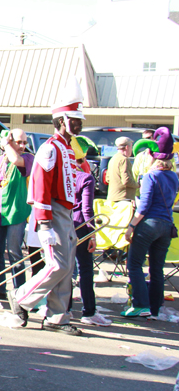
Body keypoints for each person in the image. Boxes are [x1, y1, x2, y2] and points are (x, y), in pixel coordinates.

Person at [8, 78, 85, 336]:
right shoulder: (50, 148)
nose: (79, 123)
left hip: (65, 212)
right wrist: (44, 223)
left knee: (67, 267)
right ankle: (21, 297)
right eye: (74, 118)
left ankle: (57, 316)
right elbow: (40, 186)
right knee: (57, 265)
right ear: (62, 120)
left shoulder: (67, 148)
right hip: (52, 212)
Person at [123, 127, 179, 318]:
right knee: (157, 268)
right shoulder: (174, 177)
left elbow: (144, 206)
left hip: (149, 224)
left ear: (151, 156)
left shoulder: (150, 176)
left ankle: (141, 304)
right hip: (167, 225)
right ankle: (155, 308)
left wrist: (131, 226)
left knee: (135, 265)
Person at [0, 128, 34, 298]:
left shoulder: (27, 158)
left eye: (24, 142)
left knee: (14, 253)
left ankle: (20, 292)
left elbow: (16, 159)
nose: (22, 145)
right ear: (10, 141)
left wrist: (6, 144)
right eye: (18, 142)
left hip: (16, 213)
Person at [70, 137, 110, 326]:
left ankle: (65, 308)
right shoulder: (85, 178)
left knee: (66, 270)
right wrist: (92, 234)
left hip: (64, 224)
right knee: (85, 269)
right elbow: (87, 210)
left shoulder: (63, 176)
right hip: (81, 227)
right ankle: (89, 311)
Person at [107, 136, 138, 204]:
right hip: (123, 199)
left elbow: (107, 179)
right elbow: (126, 180)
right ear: (127, 147)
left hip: (112, 197)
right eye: (131, 147)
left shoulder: (113, 159)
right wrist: (137, 185)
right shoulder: (124, 159)